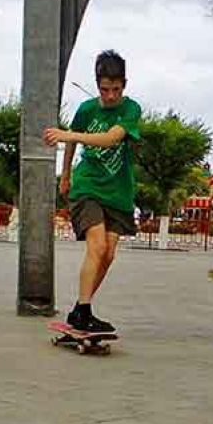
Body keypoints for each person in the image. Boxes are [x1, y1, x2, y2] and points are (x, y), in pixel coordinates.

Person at [43, 50, 141, 332]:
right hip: (87, 186)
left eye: (116, 90)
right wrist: (67, 174)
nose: (110, 96)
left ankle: (79, 308)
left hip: (118, 192)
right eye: (104, 90)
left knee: (108, 254)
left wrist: (69, 135)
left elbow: (111, 140)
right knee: (96, 247)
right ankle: (85, 312)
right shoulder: (87, 109)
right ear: (97, 85)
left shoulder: (130, 109)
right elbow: (72, 142)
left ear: (124, 84)